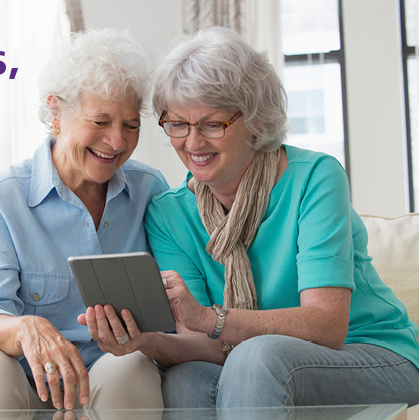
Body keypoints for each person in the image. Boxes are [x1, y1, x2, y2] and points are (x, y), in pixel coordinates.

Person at [78, 26, 419, 409]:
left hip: (371, 354)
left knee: (256, 358)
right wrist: (144, 342)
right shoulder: (169, 213)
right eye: (177, 124)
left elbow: (327, 326)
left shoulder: (315, 178)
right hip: (254, 361)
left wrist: (213, 317)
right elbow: (201, 345)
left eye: (212, 124)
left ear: (256, 121)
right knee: (187, 379)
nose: (192, 143)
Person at [0, 29, 168, 412]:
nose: (117, 141)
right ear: (55, 113)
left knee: (133, 366)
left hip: (104, 373)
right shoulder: (4, 198)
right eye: (101, 121)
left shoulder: (150, 191)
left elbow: (171, 308)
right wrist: (26, 328)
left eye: (130, 125)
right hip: (17, 374)